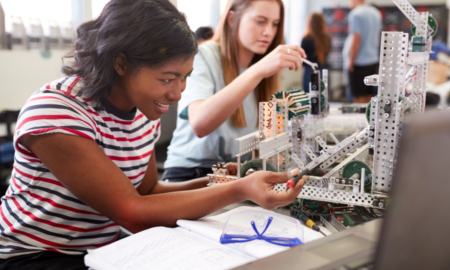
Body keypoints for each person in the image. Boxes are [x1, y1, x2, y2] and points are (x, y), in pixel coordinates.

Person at [0, 0, 306, 269]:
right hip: (37, 256)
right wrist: (239, 190)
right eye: (168, 78)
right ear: (120, 63)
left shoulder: (143, 111)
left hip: (102, 248)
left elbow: (147, 192)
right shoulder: (58, 111)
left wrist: (223, 180)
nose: (177, 94)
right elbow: (132, 211)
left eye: (185, 78)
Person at [163, 0, 306, 182]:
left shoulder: (265, 72)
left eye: (275, 24)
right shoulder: (203, 56)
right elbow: (199, 123)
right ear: (232, 18)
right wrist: (258, 70)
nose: (268, 32)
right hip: (190, 174)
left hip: (237, 174)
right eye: (260, 21)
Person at [343, 0, 381, 103]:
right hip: (373, 60)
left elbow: (356, 39)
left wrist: (351, 61)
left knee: (358, 99)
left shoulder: (356, 14)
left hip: (359, 62)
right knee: (369, 97)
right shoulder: (376, 12)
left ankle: (360, 119)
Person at [301, 13, 331, 92]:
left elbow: (302, 59)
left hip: (310, 72)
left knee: (310, 99)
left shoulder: (306, 39)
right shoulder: (327, 38)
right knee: (323, 99)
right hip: (324, 72)